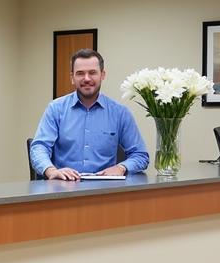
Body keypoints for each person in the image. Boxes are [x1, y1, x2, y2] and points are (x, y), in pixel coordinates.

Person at [29, 49, 148, 181]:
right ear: (72, 77)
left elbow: (140, 155)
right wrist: (51, 171)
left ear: (102, 75)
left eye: (92, 73)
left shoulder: (120, 113)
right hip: (63, 188)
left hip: (106, 191)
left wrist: (121, 167)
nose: (86, 78)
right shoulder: (55, 109)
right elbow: (39, 147)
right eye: (80, 73)